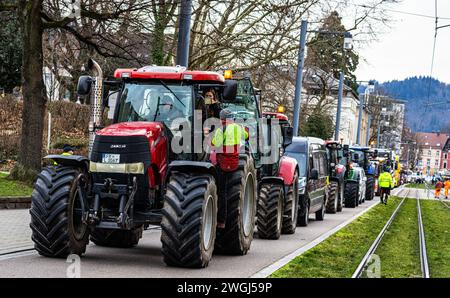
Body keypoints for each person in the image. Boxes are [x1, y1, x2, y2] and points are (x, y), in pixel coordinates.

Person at [211, 109, 248, 229]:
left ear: (222, 118)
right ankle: (230, 220)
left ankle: (220, 220)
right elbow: (246, 135)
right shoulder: (238, 127)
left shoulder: (221, 129)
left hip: (222, 163)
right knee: (229, 191)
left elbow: (216, 144)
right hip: (234, 163)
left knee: (221, 192)